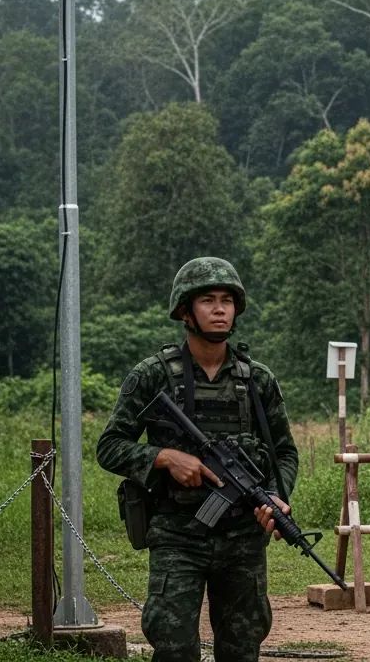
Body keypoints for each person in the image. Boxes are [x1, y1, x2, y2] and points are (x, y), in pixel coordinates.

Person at [97, 257, 298, 662]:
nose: (220, 308)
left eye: (227, 300)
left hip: (243, 537)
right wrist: (165, 457)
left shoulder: (256, 380)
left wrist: (276, 496)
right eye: (208, 300)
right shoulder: (152, 376)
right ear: (186, 310)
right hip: (177, 535)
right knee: (173, 645)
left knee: (242, 647)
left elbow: (284, 453)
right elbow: (110, 446)